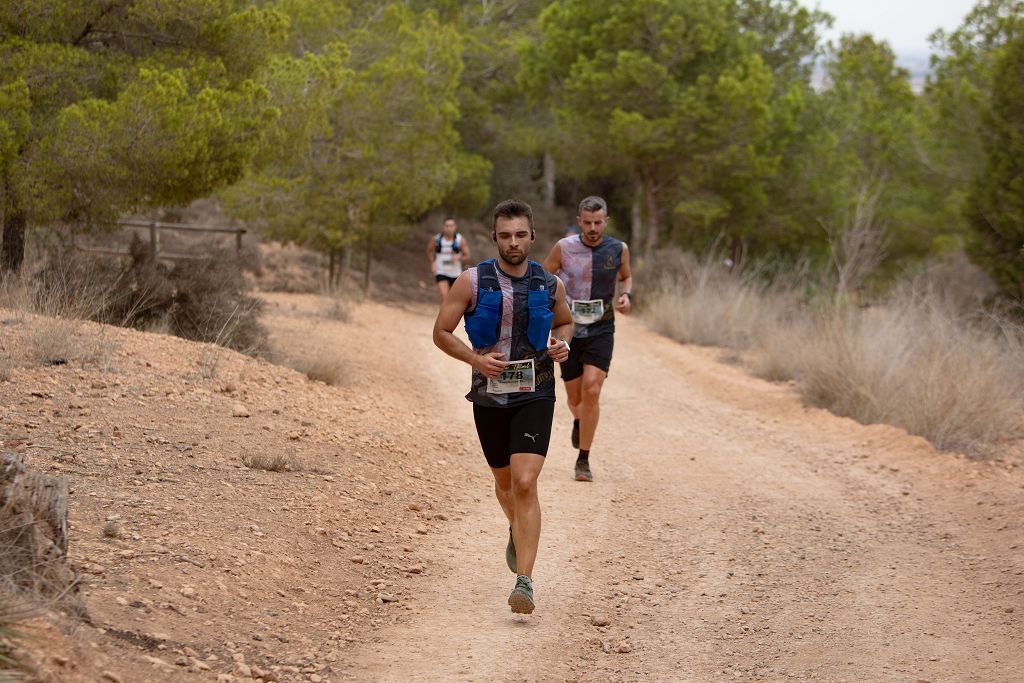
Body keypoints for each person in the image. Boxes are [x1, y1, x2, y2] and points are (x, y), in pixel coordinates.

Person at [433, 199, 573, 614]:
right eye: (505, 235)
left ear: (532, 236)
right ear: (494, 237)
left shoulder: (550, 284)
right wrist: (475, 360)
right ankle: (517, 526)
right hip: (489, 396)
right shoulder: (470, 282)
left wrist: (562, 342)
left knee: (526, 482)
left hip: (537, 391)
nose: (514, 242)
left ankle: (524, 581)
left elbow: (565, 321)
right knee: (505, 482)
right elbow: (441, 332)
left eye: (521, 235)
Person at [542, 196, 632, 482]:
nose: (593, 228)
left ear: (606, 221)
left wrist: (626, 294)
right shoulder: (564, 247)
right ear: (579, 221)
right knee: (574, 399)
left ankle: (583, 459)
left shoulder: (618, 249)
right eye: (588, 222)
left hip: (602, 327)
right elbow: (544, 276)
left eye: (598, 222)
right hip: (567, 328)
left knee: (592, 390)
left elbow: (626, 277)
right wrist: (551, 305)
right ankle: (579, 419)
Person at [427, 216, 471, 304]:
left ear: (455, 227)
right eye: (447, 226)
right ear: (443, 227)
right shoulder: (437, 239)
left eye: (451, 226)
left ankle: (450, 316)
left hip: (455, 273)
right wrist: (433, 263)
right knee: (444, 296)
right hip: (441, 271)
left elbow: (467, 255)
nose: (449, 228)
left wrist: (459, 258)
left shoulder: (460, 240)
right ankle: (443, 317)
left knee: (454, 299)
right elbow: (429, 250)